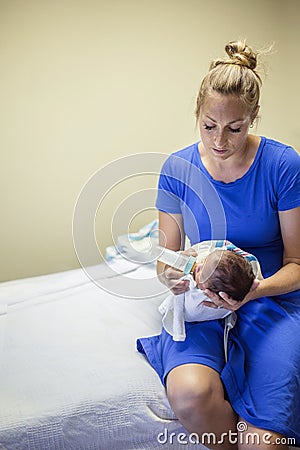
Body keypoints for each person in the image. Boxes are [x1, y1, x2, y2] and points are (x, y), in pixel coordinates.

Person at [137, 40, 300, 449]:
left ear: (253, 119)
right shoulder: (177, 169)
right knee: (191, 393)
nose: (220, 141)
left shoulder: (282, 165)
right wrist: (174, 277)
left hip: (271, 295)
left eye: (235, 128)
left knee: (263, 442)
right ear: (197, 114)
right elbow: (166, 258)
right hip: (204, 294)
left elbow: (297, 263)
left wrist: (255, 290)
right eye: (209, 125)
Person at [158, 242, 260, 342]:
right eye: (204, 260)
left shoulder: (197, 293)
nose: (198, 266)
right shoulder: (212, 261)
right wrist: (165, 270)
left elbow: (189, 309)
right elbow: (163, 253)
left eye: (201, 273)